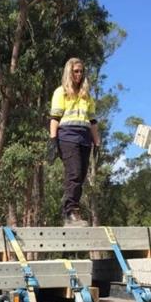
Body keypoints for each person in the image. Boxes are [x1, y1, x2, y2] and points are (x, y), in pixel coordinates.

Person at [49, 57, 101, 227]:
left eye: (81, 71)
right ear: (69, 72)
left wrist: (97, 143)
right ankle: (70, 212)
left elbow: (92, 121)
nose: (79, 74)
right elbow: (55, 118)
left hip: (85, 137)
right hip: (67, 136)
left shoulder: (87, 96)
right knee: (74, 173)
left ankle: (73, 210)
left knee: (82, 175)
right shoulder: (61, 92)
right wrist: (53, 140)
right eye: (75, 71)